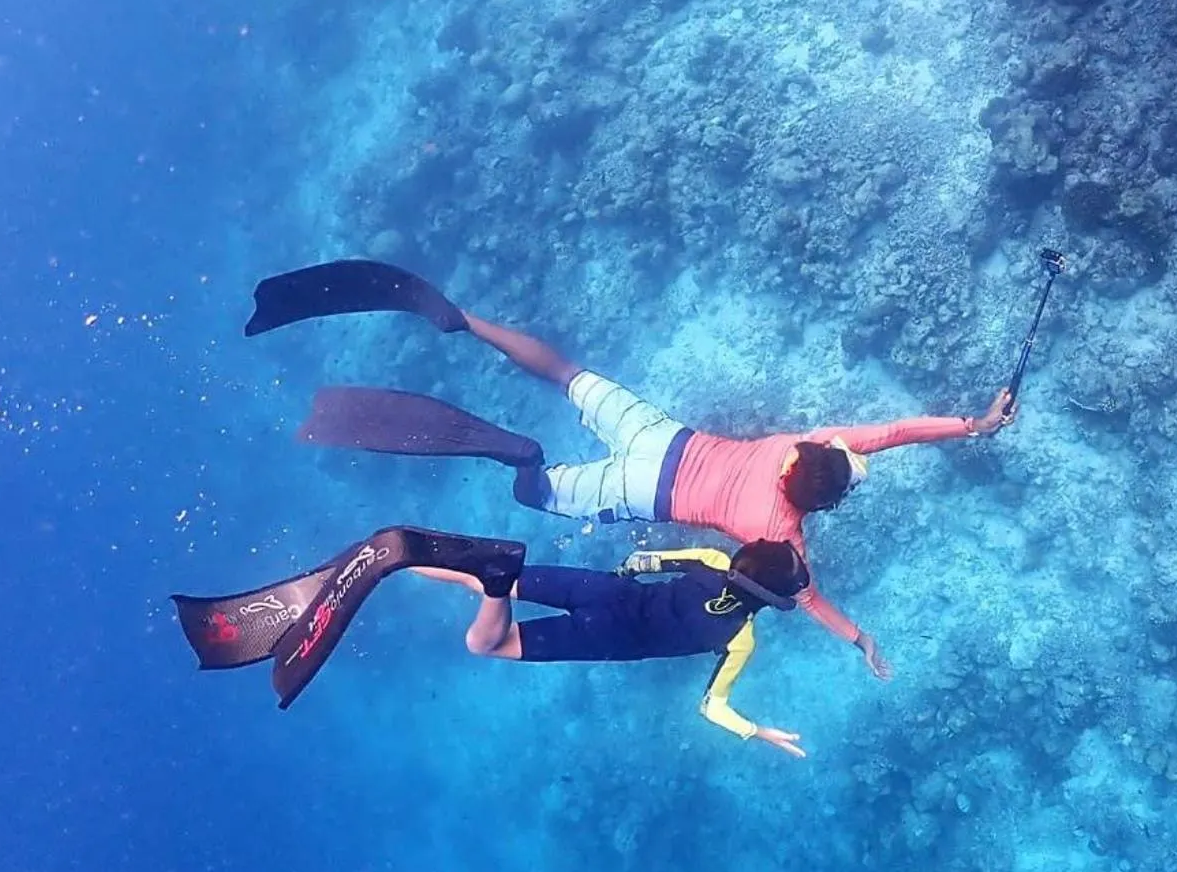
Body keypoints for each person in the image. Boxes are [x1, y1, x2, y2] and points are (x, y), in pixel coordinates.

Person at [257, 260, 1014, 679]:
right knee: (538, 487)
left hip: (661, 434)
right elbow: (809, 601)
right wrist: (860, 641)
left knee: (568, 375)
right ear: (820, 505)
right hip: (640, 491)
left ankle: (465, 322)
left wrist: (972, 423)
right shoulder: (780, 538)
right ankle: (514, 453)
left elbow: (893, 432)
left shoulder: (808, 441)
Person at [173, 522, 814, 756]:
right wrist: (758, 732)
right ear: (771, 604)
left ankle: (407, 557)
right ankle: (494, 588)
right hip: (605, 636)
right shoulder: (739, 644)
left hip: (601, 592)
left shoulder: (708, 560)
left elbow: (644, 563)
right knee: (487, 646)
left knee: (460, 569)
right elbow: (712, 707)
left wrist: (625, 571)